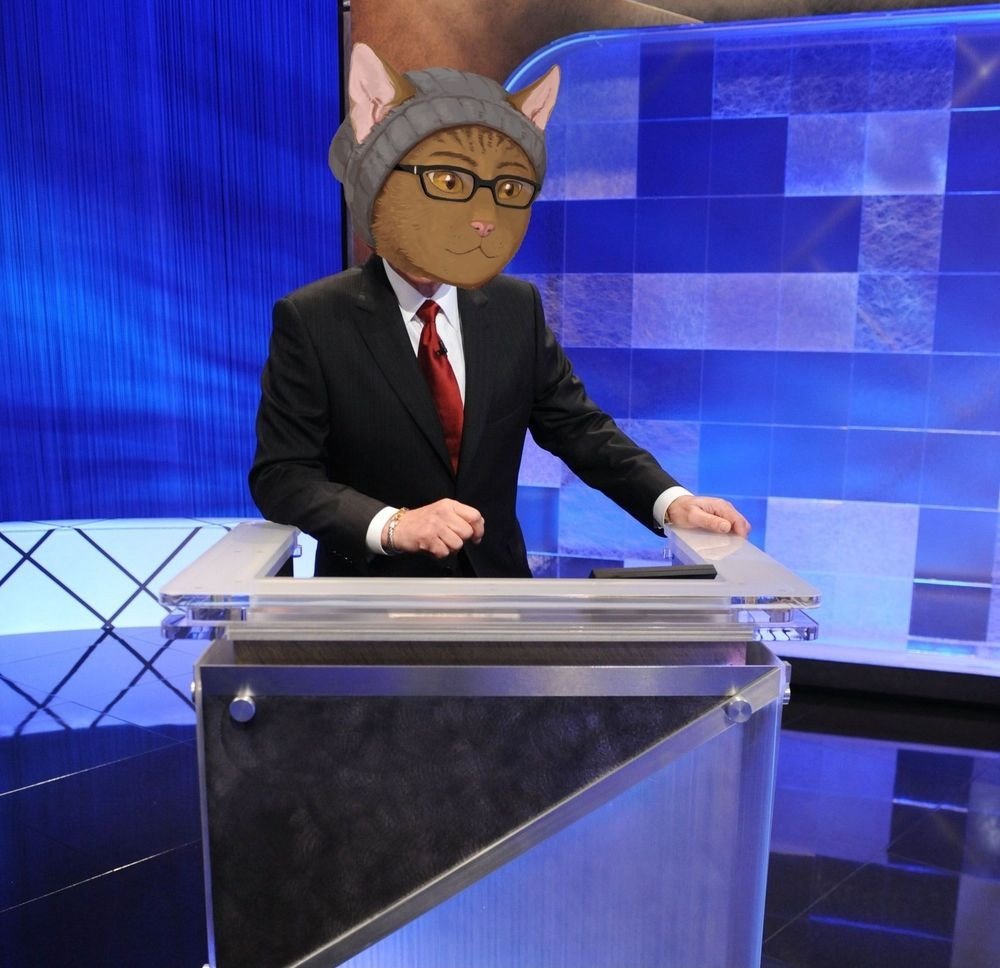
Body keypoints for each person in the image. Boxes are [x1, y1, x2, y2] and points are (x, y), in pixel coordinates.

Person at [249, 44, 749, 578]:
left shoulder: (516, 308)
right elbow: (283, 477)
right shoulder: (312, 319)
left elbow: (578, 427)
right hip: (371, 599)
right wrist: (393, 525)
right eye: (448, 182)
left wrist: (670, 502)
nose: (482, 217)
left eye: (506, 189)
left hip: (499, 590)